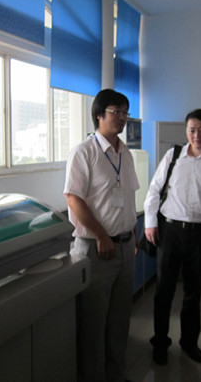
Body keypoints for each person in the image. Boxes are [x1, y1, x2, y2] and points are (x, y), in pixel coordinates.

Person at [143, 109, 201, 365]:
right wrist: (150, 223)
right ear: (186, 131)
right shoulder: (173, 156)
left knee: (193, 294)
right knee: (164, 292)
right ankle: (160, 342)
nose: (197, 135)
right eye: (192, 130)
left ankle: (189, 343)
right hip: (170, 232)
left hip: (200, 234)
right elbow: (154, 190)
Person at [64, 88, 140, 382]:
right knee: (93, 322)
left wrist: (132, 230)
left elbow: (128, 196)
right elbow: (73, 198)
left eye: (125, 112)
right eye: (115, 111)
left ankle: (116, 374)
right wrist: (101, 236)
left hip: (125, 246)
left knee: (120, 319)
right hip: (96, 249)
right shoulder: (84, 152)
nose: (122, 117)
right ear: (99, 115)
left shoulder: (125, 153)